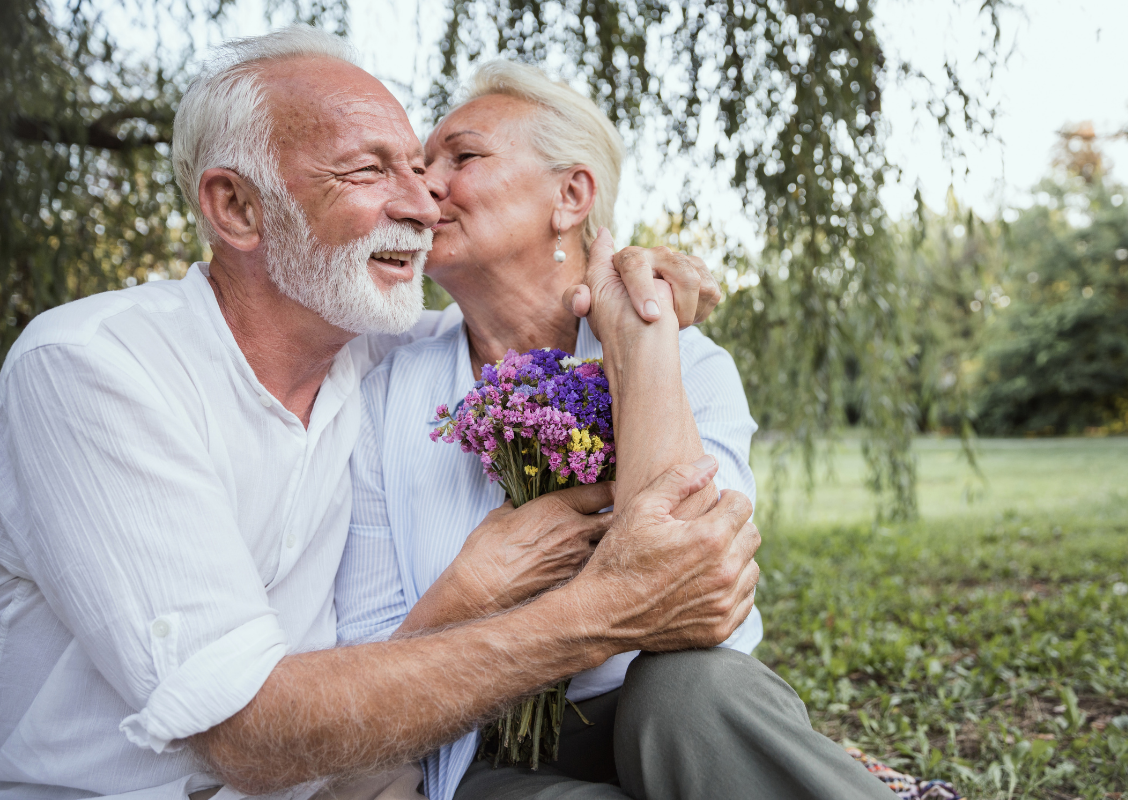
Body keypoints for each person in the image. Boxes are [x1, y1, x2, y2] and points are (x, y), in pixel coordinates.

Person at [0, 27, 757, 799]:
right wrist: (600, 605)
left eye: (435, 164)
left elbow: (705, 577)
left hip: (342, 775)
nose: (424, 199)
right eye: (371, 170)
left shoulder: (368, 350)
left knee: (692, 702)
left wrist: (642, 311)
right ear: (236, 207)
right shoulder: (98, 367)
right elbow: (248, 734)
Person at [334, 61, 897, 800]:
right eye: (416, 165)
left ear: (571, 195)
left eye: (461, 157)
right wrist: (476, 588)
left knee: (690, 693)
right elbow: (370, 651)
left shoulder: (689, 361)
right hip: (479, 743)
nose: (422, 187)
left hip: (670, 703)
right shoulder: (387, 385)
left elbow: (696, 595)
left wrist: (638, 335)